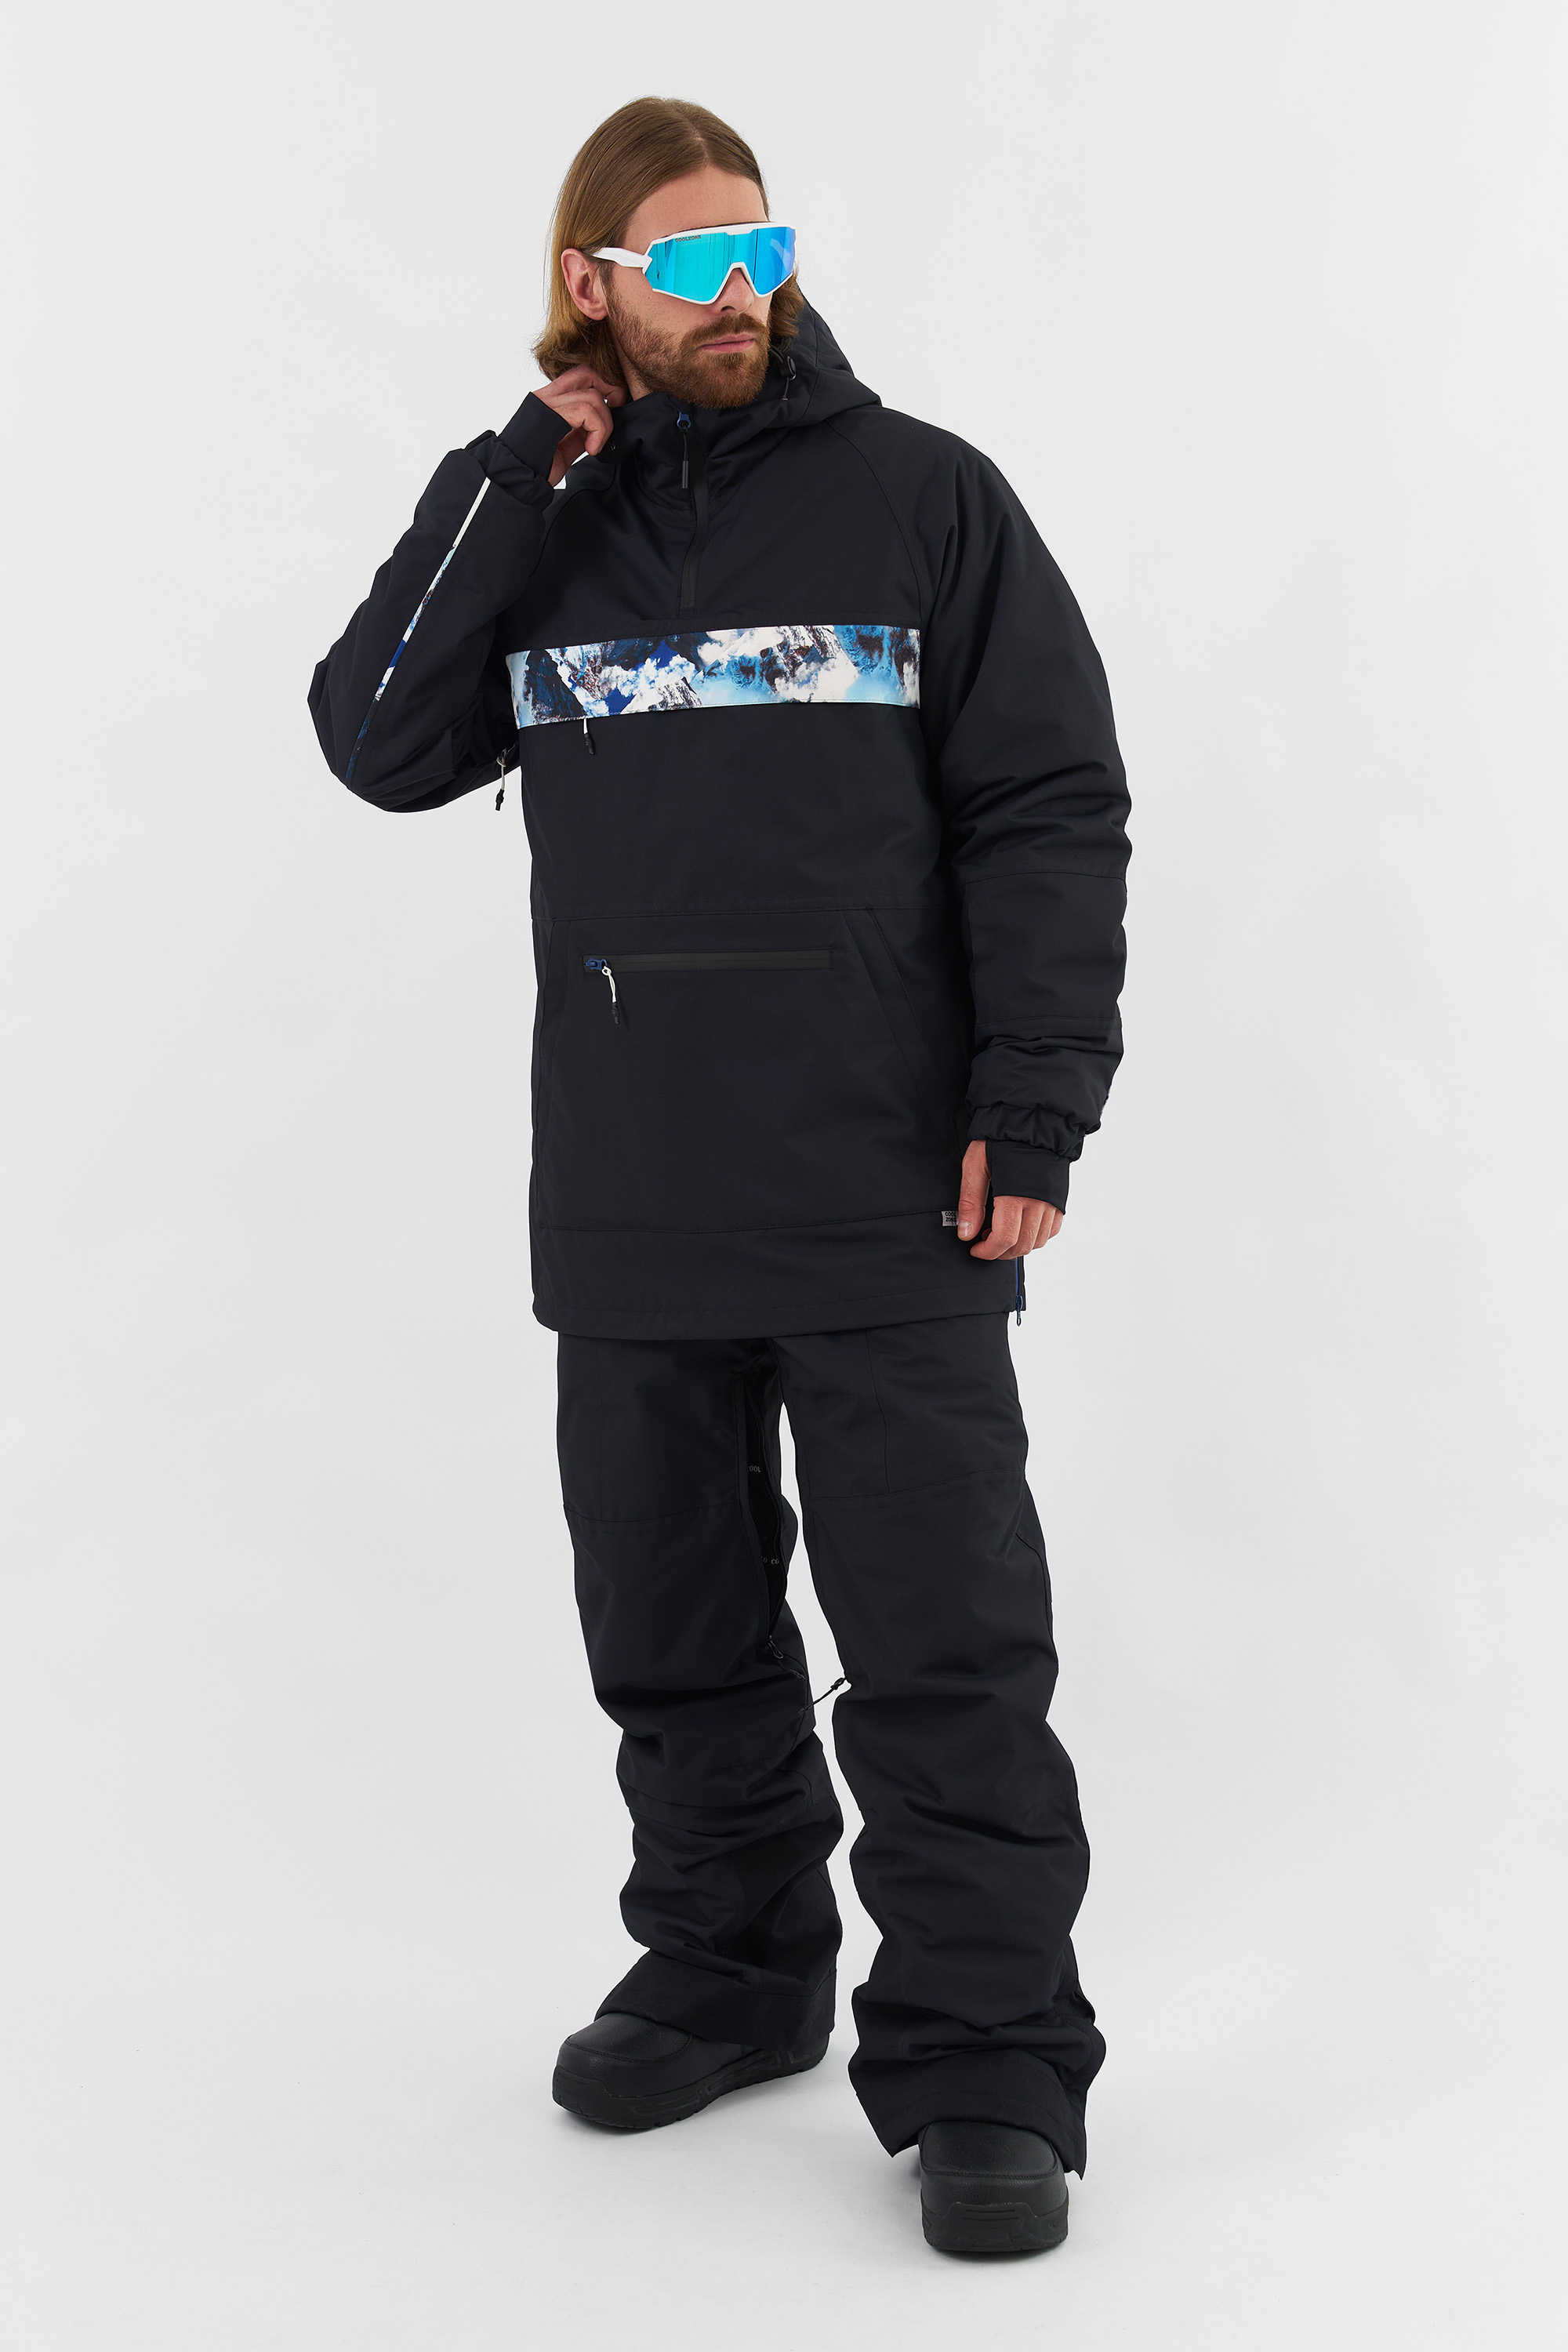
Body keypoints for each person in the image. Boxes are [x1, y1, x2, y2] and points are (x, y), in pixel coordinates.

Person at [310, 96, 1130, 2258]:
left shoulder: (926, 499)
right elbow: (377, 741)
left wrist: (1034, 1103)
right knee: (671, 1634)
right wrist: (519, 467)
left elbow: (1049, 805)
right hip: (635, 1188)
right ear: (594, 281)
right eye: (687, 261)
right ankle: (731, 1972)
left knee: (946, 1650)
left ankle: (985, 2063)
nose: (738, 291)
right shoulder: (536, 523)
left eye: (758, 248)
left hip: (893, 1190)